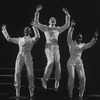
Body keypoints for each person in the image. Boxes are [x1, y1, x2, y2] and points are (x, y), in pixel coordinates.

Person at [31, 5, 70, 90]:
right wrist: (37, 12)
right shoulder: (45, 28)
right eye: (51, 19)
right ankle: (44, 79)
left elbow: (67, 25)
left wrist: (67, 15)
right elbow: (36, 23)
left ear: (55, 22)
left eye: (54, 20)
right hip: (48, 46)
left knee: (58, 63)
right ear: (49, 21)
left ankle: (57, 80)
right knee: (50, 62)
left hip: (56, 46)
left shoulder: (58, 29)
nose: (53, 20)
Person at [1, 24, 40, 97]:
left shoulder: (32, 40)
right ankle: (17, 89)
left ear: (30, 32)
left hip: (28, 55)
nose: (26, 31)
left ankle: (31, 89)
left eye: (28, 30)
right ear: (24, 31)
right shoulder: (20, 39)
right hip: (20, 55)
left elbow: (38, 36)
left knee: (30, 74)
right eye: (25, 30)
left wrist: (34, 27)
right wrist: (4, 30)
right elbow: (9, 39)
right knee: (17, 73)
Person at [67, 20, 98, 99]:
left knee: (82, 78)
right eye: (78, 37)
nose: (79, 38)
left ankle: (81, 94)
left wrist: (95, 37)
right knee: (72, 78)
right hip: (71, 61)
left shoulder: (82, 45)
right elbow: (69, 36)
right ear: (76, 37)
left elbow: (90, 44)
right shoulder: (71, 43)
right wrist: (72, 27)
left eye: (80, 38)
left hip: (79, 61)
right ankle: (70, 94)